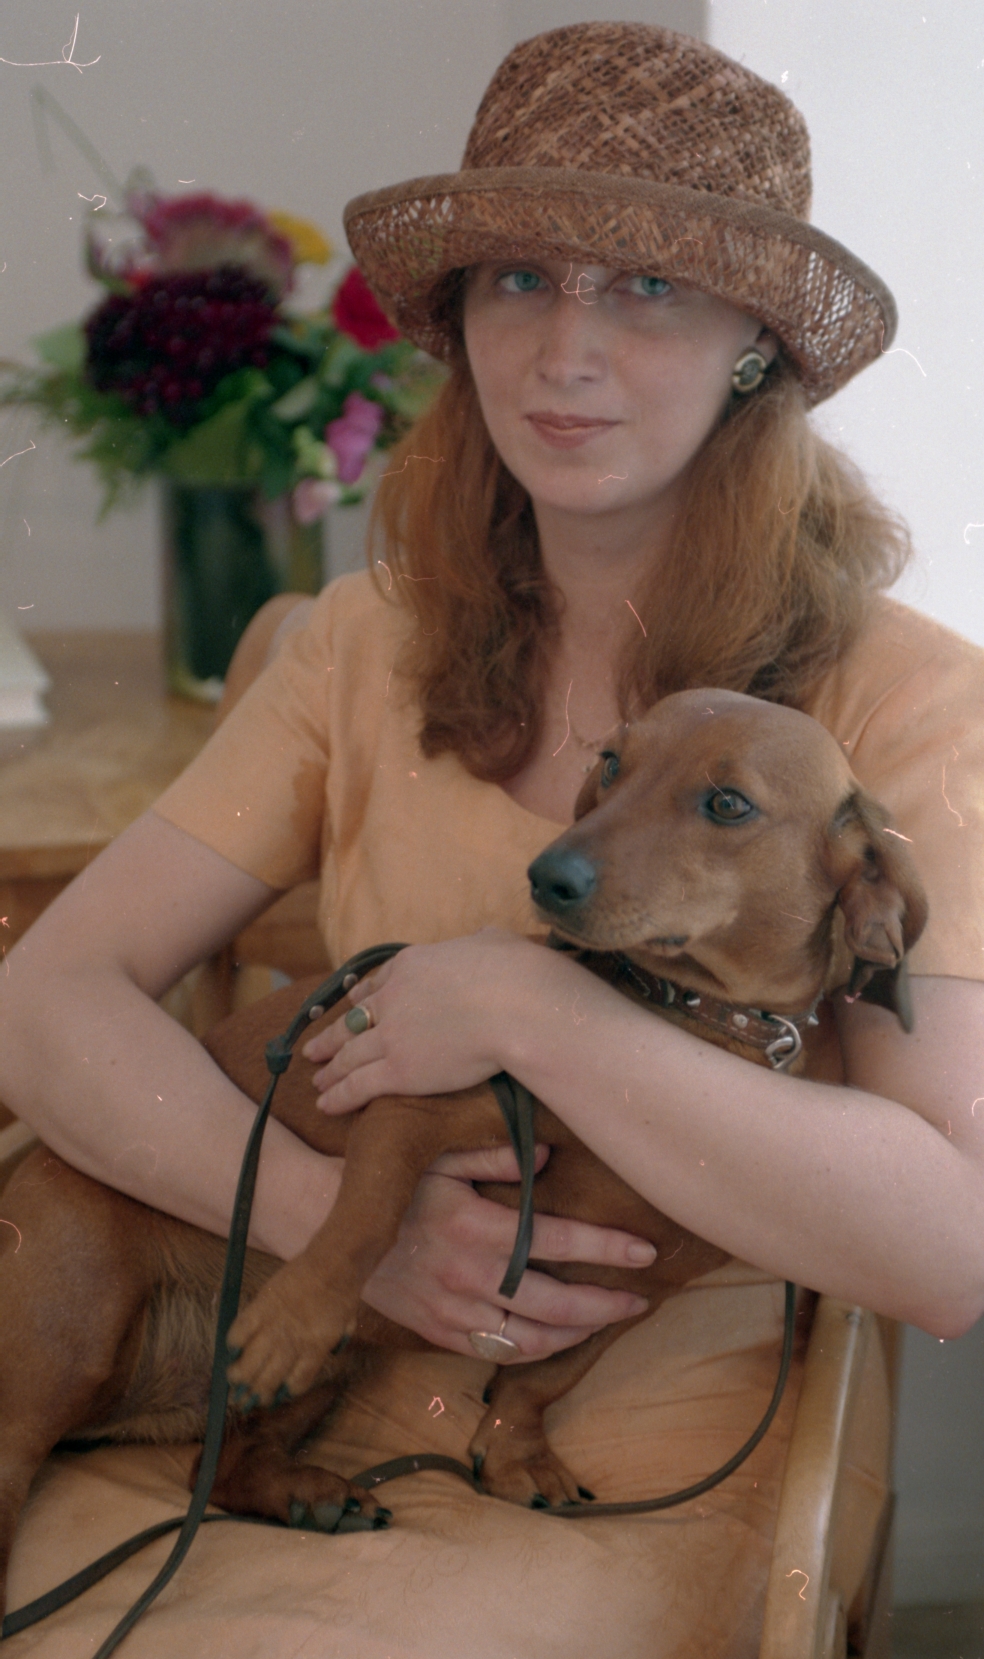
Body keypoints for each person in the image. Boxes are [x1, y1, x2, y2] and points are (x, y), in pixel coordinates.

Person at [2, 21, 983, 1658]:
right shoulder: (359, 643)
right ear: (457, 323)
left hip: (622, 1449)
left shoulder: (912, 703)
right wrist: (339, 1234)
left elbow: (950, 1246)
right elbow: (45, 1000)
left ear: (757, 342)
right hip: (263, 1368)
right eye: (520, 280)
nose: (564, 352)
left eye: (648, 286)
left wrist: (531, 1006)